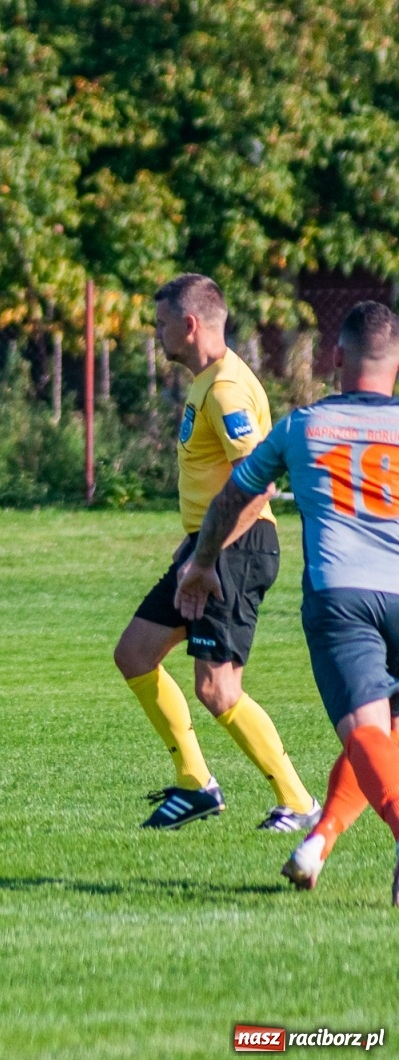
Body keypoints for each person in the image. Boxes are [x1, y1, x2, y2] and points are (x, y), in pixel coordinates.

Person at [176, 301, 399, 902]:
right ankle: (318, 841)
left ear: (336, 357)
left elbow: (235, 495)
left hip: (343, 597)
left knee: (367, 733)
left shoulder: (304, 426)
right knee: (385, 740)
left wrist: (201, 564)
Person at [112, 274, 319, 831]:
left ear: (190, 324)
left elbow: (257, 486)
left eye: (161, 324)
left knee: (217, 688)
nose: (156, 334)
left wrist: (205, 561)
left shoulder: (226, 389)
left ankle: (299, 803)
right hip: (205, 546)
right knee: (135, 653)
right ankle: (195, 784)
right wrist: (195, 550)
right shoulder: (207, 381)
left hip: (236, 548)